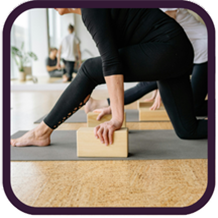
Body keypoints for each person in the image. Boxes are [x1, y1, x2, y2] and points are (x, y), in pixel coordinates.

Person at [11, 8, 207, 148]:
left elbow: (112, 64)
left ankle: (41, 132)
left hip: (168, 48)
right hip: (175, 50)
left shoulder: (91, 8)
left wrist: (116, 118)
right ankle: (41, 132)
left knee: (89, 69)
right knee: (187, 129)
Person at [85, 8, 208, 118]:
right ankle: (103, 103)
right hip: (187, 56)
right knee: (147, 84)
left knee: (195, 107)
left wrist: (163, 83)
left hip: (205, 50)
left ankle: (101, 103)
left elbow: (167, 40)